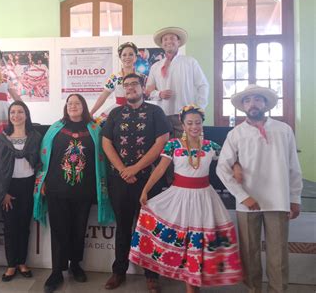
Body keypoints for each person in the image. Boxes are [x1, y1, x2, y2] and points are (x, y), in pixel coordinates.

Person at [130, 105, 243, 292]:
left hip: (204, 198)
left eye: (197, 122)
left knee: (197, 244)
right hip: (179, 197)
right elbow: (159, 169)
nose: (194, 126)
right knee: (184, 242)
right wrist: (145, 190)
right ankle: (189, 284)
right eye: (189, 123)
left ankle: (194, 285)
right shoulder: (173, 145)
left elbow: (229, 158)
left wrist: (237, 165)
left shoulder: (210, 146)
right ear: (182, 125)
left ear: (202, 124)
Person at [216, 84, 303, 293]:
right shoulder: (236, 133)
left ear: (265, 103)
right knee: (249, 253)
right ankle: (253, 290)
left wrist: (295, 197)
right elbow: (222, 168)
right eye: (247, 101)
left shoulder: (283, 130)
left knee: (278, 254)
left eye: (257, 99)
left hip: (279, 199)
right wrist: (242, 196)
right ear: (243, 106)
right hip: (248, 203)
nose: (252, 104)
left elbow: (293, 166)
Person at [33, 94, 115, 293]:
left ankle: (75, 265)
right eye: (70, 103)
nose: (73, 106)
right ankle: (56, 272)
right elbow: (43, 157)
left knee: (79, 229)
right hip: (56, 190)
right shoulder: (55, 128)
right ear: (65, 107)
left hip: (84, 191)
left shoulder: (95, 129)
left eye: (77, 103)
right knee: (59, 230)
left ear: (84, 106)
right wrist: (41, 181)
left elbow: (104, 157)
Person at [101, 73, 171, 293]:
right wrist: (124, 170)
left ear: (142, 87)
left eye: (134, 84)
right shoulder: (115, 113)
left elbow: (162, 142)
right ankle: (118, 271)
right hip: (119, 180)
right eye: (126, 85)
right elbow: (106, 143)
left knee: (149, 229)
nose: (130, 88)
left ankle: (151, 275)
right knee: (122, 227)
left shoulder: (155, 112)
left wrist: (135, 168)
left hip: (148, 181)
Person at [0, 101, 42, 281]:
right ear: (9, 116)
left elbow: (40, 163)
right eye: (13, 112)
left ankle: (22, 262)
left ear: (26, 115)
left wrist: (38, 187)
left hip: (28, 186)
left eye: (20, 112)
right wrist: (3, 192)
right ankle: (11, 264)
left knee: (24, 227)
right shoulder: (1, 139)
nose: (16, 115)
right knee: (10, 228)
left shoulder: (35, 137)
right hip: (8, 188)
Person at [146, 27, 209, 139]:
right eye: (165, 39)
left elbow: (203, 85)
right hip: (163, 116)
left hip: (186, 117)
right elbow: (148, 90)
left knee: (189, 149)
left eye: (172, 38)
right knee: (166, 150)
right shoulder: (155, 67)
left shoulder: (190, 62)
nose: (168, 41)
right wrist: (159, 94)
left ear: (179, 42)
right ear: (162, 44)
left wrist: (199, 109)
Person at [90, 42, 142, 125]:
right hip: (118, 109)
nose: (127, 57)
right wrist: (91, 112)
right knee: (98, 125)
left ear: (135, 57)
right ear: (120, 58)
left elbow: (147, 93)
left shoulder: (142, 77)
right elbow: (103, 96)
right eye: (124, 55)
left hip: (138, 109)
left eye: (131, 54)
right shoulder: (114, 77)